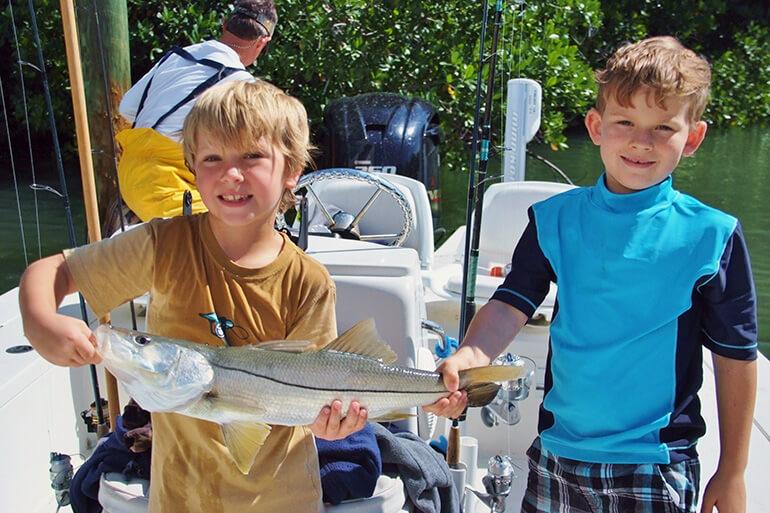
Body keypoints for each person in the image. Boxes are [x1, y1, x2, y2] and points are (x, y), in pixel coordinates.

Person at [426, 36, 758, 513]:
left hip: (655, 464)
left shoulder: (712, 236)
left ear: (693, 138)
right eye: (626, 122)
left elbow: (736, 358)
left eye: (664, 127)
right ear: (597, 126)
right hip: (556, 454)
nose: (642, 142)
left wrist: (733, 472)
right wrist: (470, 355)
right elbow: (510, 303)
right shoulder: (552, 219)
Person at [19, 80, 368, 513]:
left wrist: (334, 424)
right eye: (212, 158)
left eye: (252, 156)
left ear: (292, 170)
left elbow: (320, 393)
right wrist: (41, 322)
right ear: (192, 169)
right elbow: (53, 272)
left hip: (284, 499)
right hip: (178, 499)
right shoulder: (162, 245)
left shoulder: (309, 281)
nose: (231, 174)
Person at [117, 0, 277, 222]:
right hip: (167, 190)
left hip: (129, 174)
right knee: (245, 227)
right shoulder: (241, 85)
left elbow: (126, 108)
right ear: (262, 42)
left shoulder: (177, 55)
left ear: (224, 25)